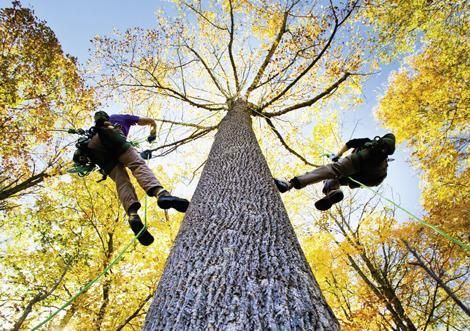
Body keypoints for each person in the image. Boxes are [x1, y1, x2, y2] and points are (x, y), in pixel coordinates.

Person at [87, 111, 190, 246]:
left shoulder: (94, 132)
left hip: (95, 149)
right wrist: (152, 134)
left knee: (121, 181)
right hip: (115, 140)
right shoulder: (120, 118)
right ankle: (161, 194)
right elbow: (151, 121)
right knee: (137, 165)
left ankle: (132, 215)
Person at [274, 133, 396, 211]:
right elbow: (376, 180)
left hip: (356, 162)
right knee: (335, 177)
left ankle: (289, 184)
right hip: (365, 177)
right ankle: (333, 191)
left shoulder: (368, 142)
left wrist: (338, 155)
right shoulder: (383, 162)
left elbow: (350, 143)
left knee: (331, 170)